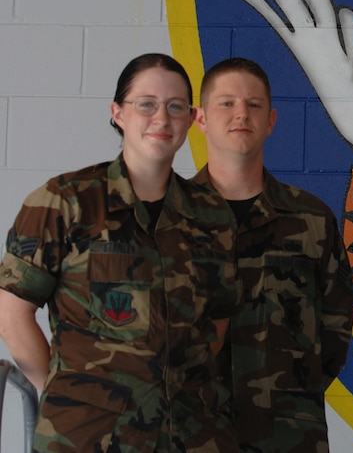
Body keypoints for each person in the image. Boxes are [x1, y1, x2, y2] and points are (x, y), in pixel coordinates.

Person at [0, 53, 239, 452]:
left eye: (176, 107)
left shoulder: (212, 215)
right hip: (89, 436)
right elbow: (12, 314)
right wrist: (66, 396)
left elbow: (216, 324)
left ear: (190, 118)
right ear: (118, 113)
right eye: (146, 104)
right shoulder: (66, 202)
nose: (162, 118)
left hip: (194, 435)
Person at [192, 57, 353, 452]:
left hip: (289, 436)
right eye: (226, 103)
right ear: (200, 118)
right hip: (190, 434)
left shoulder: (312, 219)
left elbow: (336, 331)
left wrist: (289, 392)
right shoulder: (168, 217)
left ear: (272, 120)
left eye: (254, 104)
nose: (241, 114)